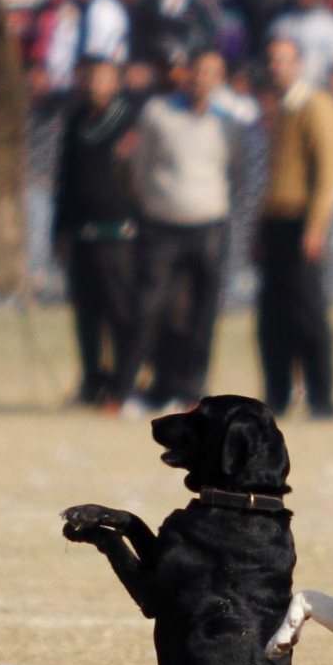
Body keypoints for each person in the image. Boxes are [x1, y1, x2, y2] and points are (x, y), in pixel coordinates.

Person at [129, 50, 233, 412]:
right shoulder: (158, 113)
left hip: (209, 223)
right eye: (198, 70)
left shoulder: (228, 120)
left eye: (212, 72)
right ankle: (137, 384)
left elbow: (238, 171)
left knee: (202, 311)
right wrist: (154, 203)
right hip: (163, 222)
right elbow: (140, 167)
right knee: (151, 306)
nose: (203, 78)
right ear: (186, 73)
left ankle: (193, 389)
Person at [256, 36, 333, 419]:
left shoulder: (315, 106)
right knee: (273, 316)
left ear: (299, 64)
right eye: (272, 61)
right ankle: (277, 395)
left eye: (284, 60)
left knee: (308, 313)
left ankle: (321, 397)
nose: (277, 68)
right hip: (276, 223)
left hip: (301, 223)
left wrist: (316, 226)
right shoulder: (281, 110)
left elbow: (328, 173)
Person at [52, 60, 142, 410]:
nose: (94, 85)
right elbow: (66, 178)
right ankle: (92, 380)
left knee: (119, 310)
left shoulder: (130, 119)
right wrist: (59, 229)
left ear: (116, 82)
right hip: (81, 231)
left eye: (102, 78)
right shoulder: (76, 120)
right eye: (89, 77)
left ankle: (123, 382)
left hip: (119, 232)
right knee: (86, 313)